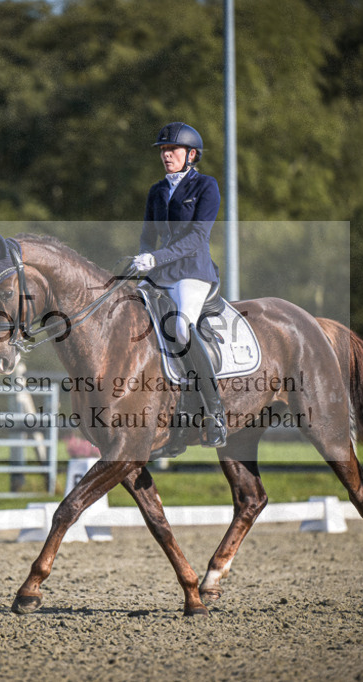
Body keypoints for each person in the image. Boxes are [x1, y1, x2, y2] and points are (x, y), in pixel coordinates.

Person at [133, 122, 227, 447]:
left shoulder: (206, 187)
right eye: (163, 150)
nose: (166, 155)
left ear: (191, 155)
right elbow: (148, 236)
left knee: (181, 330)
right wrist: (142, 260)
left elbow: (197, 238)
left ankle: (215, 412)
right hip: (160, 277)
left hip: (192, 274)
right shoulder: (157, 191)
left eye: (171, 150)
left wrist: (156, 258)